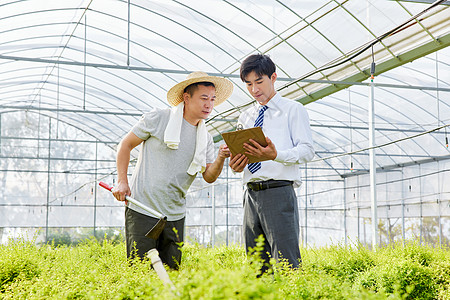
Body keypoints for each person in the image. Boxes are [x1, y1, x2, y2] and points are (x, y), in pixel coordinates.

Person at [113, 71, 233, 269]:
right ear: (186, 97)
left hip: (175, 215)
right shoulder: (160, 118)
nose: (209, 105)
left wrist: (220, 157)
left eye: (212, 99)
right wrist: (122, 181)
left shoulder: (206, 138)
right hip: (143, 209)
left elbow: (209, 177)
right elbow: (125, 145)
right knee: (140, 271)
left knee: (171, 272)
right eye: (204, 98)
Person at [228, 54, 314, 274]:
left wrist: (276, 155)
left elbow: (307, 151)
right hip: (250, 194)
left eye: (259, 82)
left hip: (278, 192)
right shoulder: (245, 117)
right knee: (257, 264)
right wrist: (237, 165)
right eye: (248, 84)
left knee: (286, 262)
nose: (254, 89)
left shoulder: (293, 110)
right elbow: (244, 158)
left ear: (273, 77)